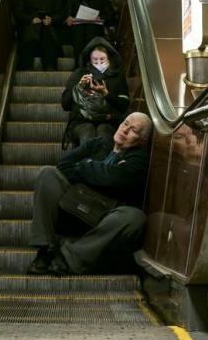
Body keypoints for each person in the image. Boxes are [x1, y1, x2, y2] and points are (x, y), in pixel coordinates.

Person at [28, 112, 153, 275]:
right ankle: (44, 249)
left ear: (142, 140)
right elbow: (64, 165)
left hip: (102, 217)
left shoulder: (140, 159)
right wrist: (104, 174)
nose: (125, 130)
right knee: (48, 174)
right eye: (125, 123)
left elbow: (115, 180)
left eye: (134, 130)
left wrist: (85, 166)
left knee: (135, 217)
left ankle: (67, 257)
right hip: (73, 205)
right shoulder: (98, 144)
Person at [61, 37, 129, 148]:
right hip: (81, 122)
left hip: (109, 121)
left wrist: (106, 93)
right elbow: (65, 104)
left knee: (103, 131)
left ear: (110, 59)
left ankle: (98, 164)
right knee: (88, 130)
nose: (98, 63)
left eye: (102, 60)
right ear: (89, 60)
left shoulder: (117, 77)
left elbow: (124, 106)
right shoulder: (79, 74)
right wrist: (79, 87)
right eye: (95, 60)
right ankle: (87, 163)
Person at [14, 0, 65, 70]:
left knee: (48, 38)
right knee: (31, 35)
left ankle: (50, 66)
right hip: (30, 29)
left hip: (48, 29)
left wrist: (51, 19)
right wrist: (31, 19)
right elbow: (18, 13)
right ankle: (26, 66)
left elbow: (60, 14)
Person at [64, 0, 116, 66]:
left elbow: (111, 16)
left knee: (91, 29)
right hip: (77, 28)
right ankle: (79, 64)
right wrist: (68, 19)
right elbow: (65, 16)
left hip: (95, 28)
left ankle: (91, 63)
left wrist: (101, 18)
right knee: (79, 31)